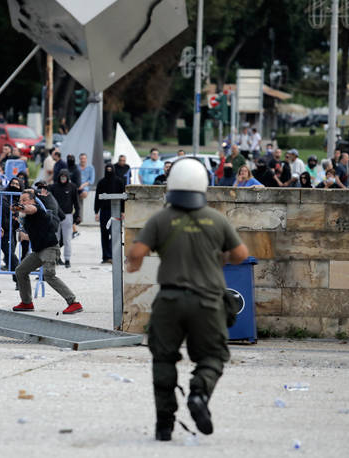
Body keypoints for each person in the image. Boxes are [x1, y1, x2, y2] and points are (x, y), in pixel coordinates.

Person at [125, 157, 248, 441]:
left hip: (170, 300)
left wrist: (135, 263)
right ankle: (199, 394)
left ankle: (164, 425)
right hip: (208, 302)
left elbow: (136, 253)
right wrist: (221, 256)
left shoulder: (161, 219)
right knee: (213, 355)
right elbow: (241, 255)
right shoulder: (216, 219)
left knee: (164, 360)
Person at [11, 189, 83, 314]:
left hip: (49, 248)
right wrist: (23, 234)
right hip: (38, 251)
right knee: (20, 271)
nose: (21, 202)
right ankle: (27, 303)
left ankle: (74, 303)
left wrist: (20, 207)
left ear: (32, 201)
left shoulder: (36, 208)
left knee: (49, 275)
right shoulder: (27, 218)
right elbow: (35, 234)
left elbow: (30, 209)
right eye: (20, 200)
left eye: (24, 200)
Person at [94, 164, 125, 263]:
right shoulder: (101, 182)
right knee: (104, 234)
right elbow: (97, 197)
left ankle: (113, 255)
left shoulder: (119, 182)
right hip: (104, 211)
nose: (109, 171)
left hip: (116, 211)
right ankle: (106, 257)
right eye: (107, 169)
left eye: (110, 169)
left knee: (115, 234)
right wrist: (96, 211)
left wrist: (123, 211)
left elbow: (123, 197)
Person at [49, 170, 80, 268]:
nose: (63, 178)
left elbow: (76, 202)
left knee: (67, 239)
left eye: (64, 177)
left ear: (67, 177)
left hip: (67, 216)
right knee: (55, 239)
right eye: (61, 176)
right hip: (56, 216)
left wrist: (77, 215)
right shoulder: (53, 187)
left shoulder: (72, 187)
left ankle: (67, 259)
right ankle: (56, 258)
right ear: (58, 177)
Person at [0, 177, 22, 275]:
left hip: (11, 229)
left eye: (17, 184)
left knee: (10, 253)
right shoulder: (2, 196)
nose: (14, 186)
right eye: (13, 183)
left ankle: (18, 276)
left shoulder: (21, 198)